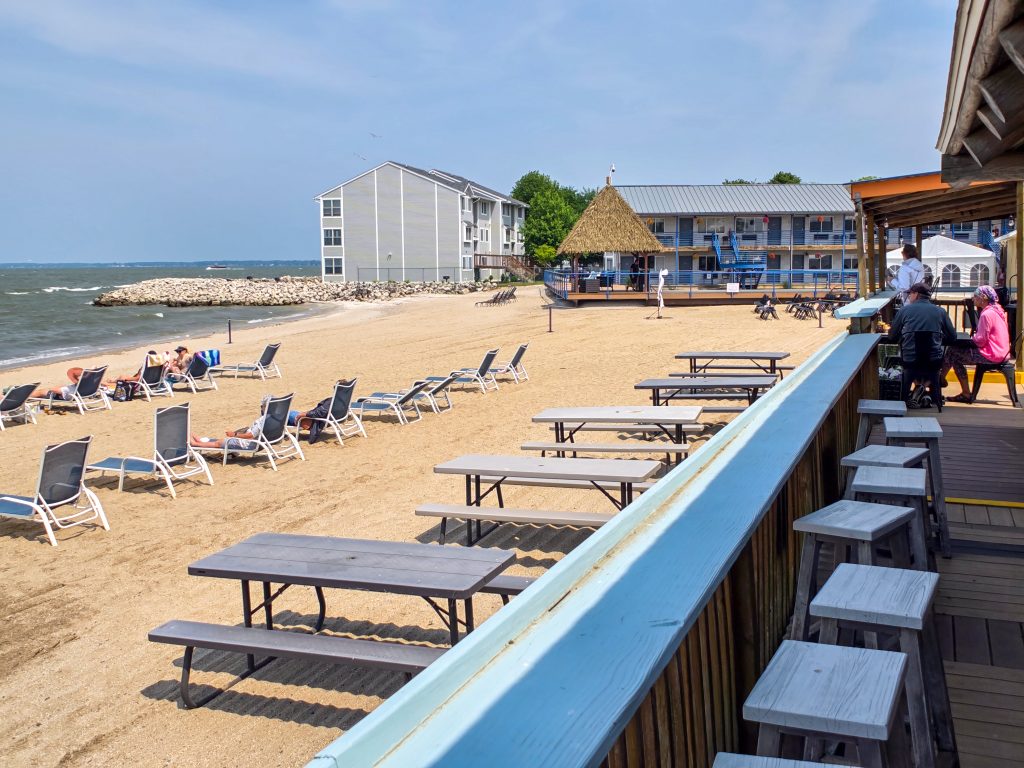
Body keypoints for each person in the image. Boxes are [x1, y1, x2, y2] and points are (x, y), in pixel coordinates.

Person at [885, 282, 957, 406]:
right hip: (933, 361)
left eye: (910, 294)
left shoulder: (904, 310)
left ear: (916, 294)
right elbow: (952, 337)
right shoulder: (940, 311)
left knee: (906, 364)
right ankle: (927, 394)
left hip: (910, 360)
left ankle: (914, 393)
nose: (909, 297)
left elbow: (892, 336)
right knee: (932, 364)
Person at [940, 285, 1011, 403]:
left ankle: (941, 380)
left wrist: (968, 341)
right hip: (1001, 352)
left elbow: (980, 340)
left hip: (991, 354)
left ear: (983, 297)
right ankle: (959, 389)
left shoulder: (986, 314)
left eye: (975, 297)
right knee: (955, 356)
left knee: (952, 351)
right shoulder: (998, 310)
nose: (973, 299)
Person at [190, 395, 270, 450]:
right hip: (265, 442)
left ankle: (195, 444)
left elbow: (250, 435)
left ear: (266, 407)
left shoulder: (262, 420)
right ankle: (196, 438)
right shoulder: (275, 418)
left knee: (219, 443)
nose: (261, 408)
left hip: (250, 444)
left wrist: (235, 435)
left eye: (262, 406)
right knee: (220, 440)